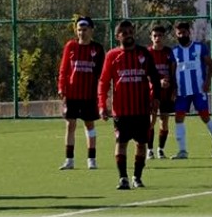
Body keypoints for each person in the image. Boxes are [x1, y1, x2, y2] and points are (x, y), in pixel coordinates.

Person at [98, 20, 162, 190]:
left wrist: (155, 98)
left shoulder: (144, 53)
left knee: (141, 144)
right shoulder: (112, 55)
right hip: (121, 111)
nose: (128, 35)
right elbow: (103, 82)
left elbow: (154, 77)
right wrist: (102, 105)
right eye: (124, 33)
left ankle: (137, 177)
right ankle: (123, 178)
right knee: (121, 142)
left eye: (130, 32)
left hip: (141, 109)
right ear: (117, 36)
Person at [169, 21, 212, 159]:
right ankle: (182, 151)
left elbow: (210, 65)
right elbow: (172, 71)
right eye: (179, 33)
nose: (182, 35)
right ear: (176, 34)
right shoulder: (174, 51)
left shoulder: (199, 47)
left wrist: (207, 81)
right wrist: (173, 88)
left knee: (205, 116)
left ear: (189, 32)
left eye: (184, 32)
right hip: (182, 92)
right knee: (178, 118)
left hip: (198, 90)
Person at [57, 16, 105, 170]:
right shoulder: (70, 46)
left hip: (89, 95)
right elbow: (64, 69)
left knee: (89, 124)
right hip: (72, 94)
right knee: (70, 125)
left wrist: (101, 94)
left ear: (91, 30)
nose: (81, 33)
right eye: (79, 30)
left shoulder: (97, 49)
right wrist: (61, 87)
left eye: (84, 30)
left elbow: (102, 74)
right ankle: (69, 160)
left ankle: (91, 159)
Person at [145, 25, 175, 160]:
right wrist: (158, 82)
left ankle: (161, 150)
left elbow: (173, 72)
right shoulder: (147, 53)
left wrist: (173, 88)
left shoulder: (169, 52)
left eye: (160, 36)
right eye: (155, 36)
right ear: (151, 37)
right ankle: (149, 150)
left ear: (164, 37)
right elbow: (144, 73)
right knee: (151, 120)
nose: (157, 38)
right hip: (152, 92)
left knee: (164, 121)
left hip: (166, 92)